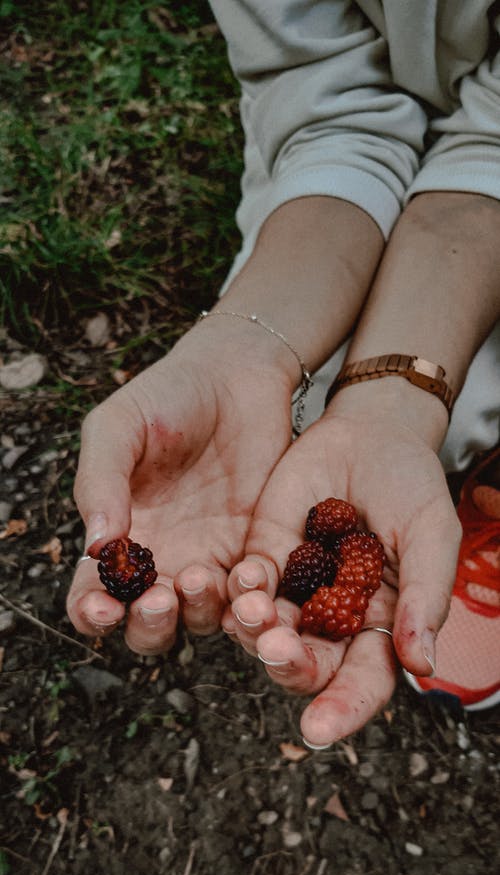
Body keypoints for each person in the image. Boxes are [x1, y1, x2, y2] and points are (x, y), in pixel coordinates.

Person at [66, 1, 500, 747]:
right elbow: (325, 108)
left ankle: (486, 490)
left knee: (456, 416)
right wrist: (241, 350)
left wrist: (398, 400)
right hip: (334, 212)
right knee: (316, 412)